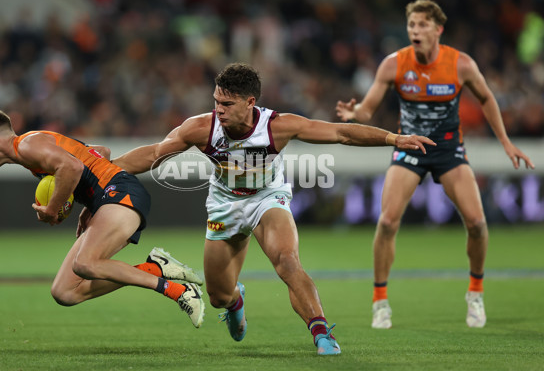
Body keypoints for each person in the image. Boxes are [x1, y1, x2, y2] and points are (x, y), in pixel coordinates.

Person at [112, 62, 434, 355]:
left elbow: (340, 133)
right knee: (218, 297)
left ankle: (321, 333)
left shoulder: (277, 126)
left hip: (268, 197)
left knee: (287, 261)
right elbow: (155, 153)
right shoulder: (200, 128)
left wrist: (394, 138)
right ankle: (236, 299)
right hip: (224, 203)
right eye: (216, 102)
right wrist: (106, 169)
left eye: (227, 104)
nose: (218, 110)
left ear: (250, 103)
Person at [335, 0, 535, 329]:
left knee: (477, 224)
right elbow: (368, 108)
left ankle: (475, 293)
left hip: (448, 150)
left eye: (422, 25)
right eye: (411, 25)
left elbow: (486, 98)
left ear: (438, 29)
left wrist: (505, 142)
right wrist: (354, 114)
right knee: (386, 222)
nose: (415, 30)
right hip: (409, 147)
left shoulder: (461, 64)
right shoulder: (393, 64)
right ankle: (380, 301)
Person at [0, 108, 205, 328]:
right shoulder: (32, 145)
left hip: (121, 193)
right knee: (64, 292)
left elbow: (72, 168)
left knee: (84, 264)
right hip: (108, 197)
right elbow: (100, 153)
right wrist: (90, 203)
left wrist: (52, 209)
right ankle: (156, 267)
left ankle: (178, 291)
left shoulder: (26, 146)